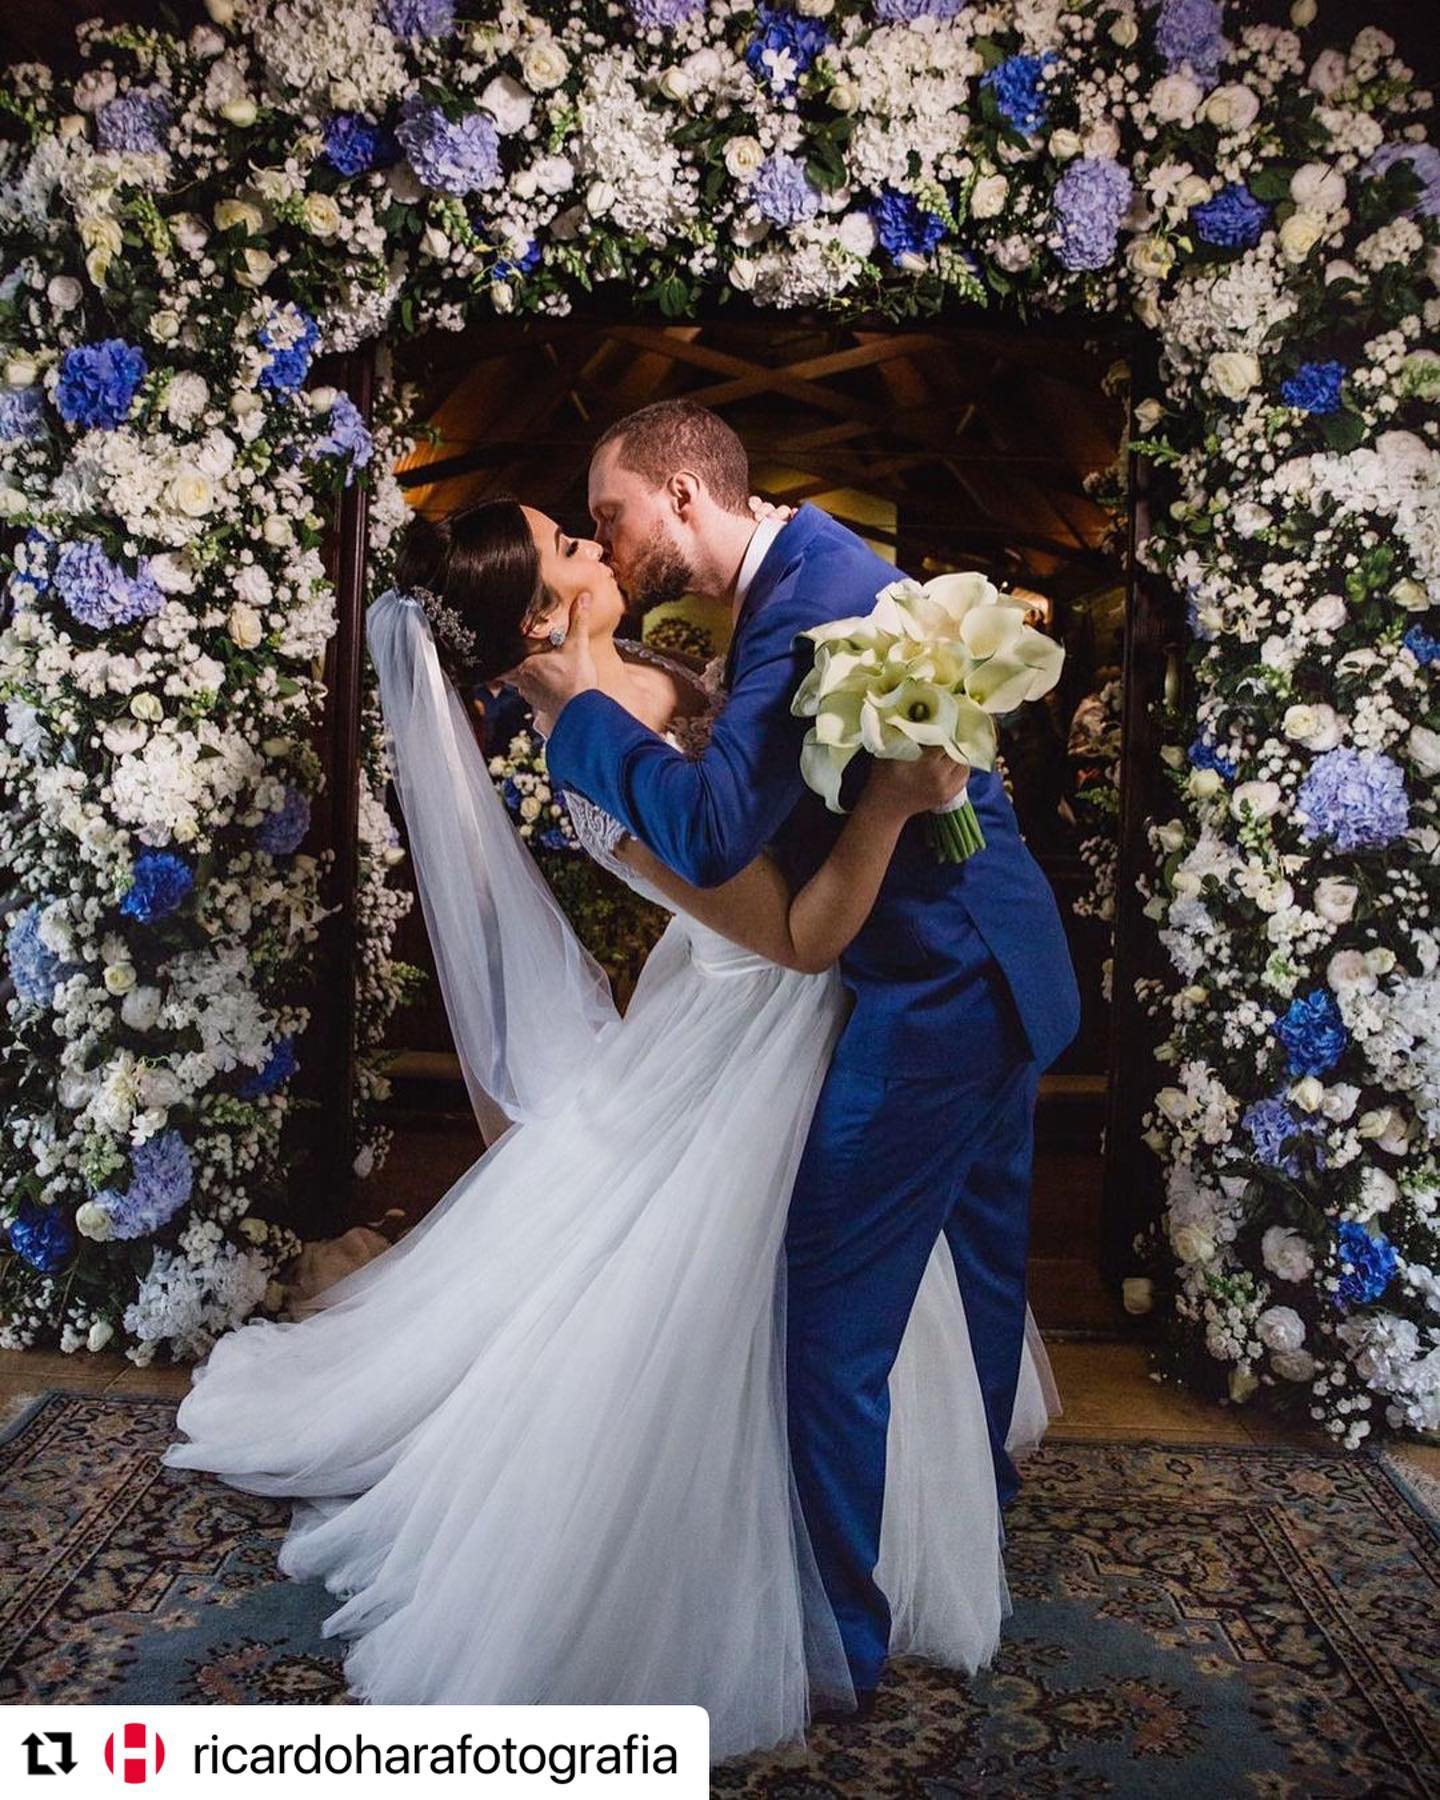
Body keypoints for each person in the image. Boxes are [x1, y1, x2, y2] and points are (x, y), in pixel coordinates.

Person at [163, 496, 1061, 1761]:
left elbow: (730, 747)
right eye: (575, 548)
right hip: (774, 1013)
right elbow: (799, 941)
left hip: (762, 1015)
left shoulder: (625, 686)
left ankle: (874, 1525)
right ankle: (792, 1573)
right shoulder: (593, 736)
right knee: (784, 1309)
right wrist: (897, 805)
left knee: (856, 1298)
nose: (605, 553)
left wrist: (718, 693)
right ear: (542, 612)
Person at [515, 400, 1082, 1710]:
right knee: (980, 1279)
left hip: (936, 996)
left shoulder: (807, 602)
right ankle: (967, 1532)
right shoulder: (819, 575)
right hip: (1004, 965)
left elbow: (715, 836)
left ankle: (839, 1638)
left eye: (608, 513)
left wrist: (577, 727)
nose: (603, 538)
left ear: (679, 496)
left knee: (828, 1319)